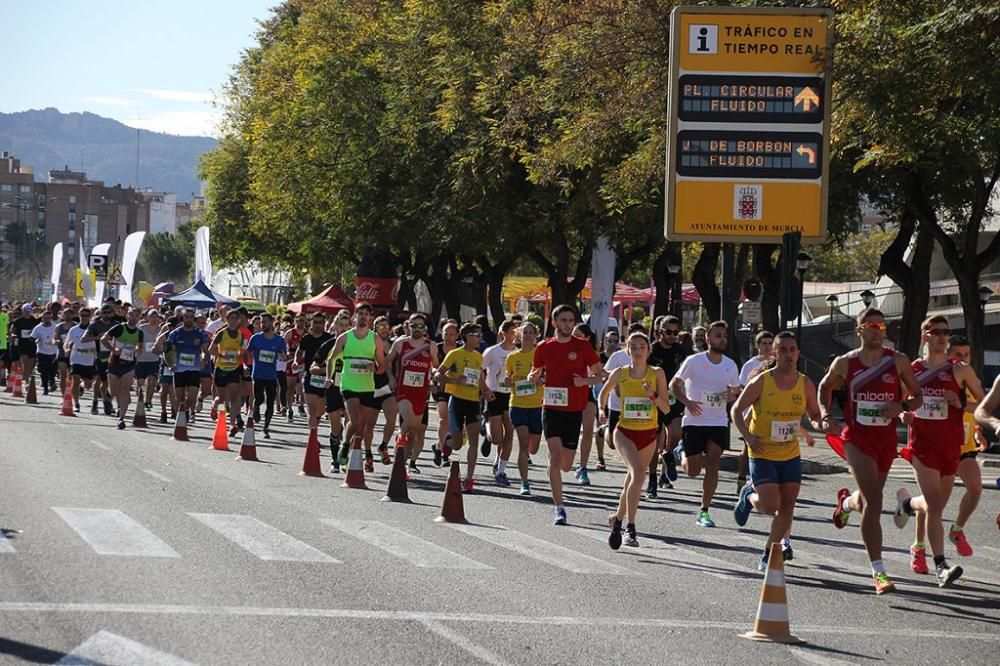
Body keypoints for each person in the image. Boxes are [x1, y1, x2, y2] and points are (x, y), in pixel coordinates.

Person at [818, 308, 922, 595]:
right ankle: (879, 572)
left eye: (881, 325)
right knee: (875, 501)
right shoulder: (845, 363)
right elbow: (824, 387)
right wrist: (826, 415)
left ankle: (846, 503)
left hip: (885, 440)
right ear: (859, 329)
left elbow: (917, 396)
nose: (877, 329)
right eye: (870, 325)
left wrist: (900, 407)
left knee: (866, 501)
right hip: (856, 439)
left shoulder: (898, 361)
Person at [894, 316, 984, 587]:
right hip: (922, 446)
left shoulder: (961, 370)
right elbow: (899, 402)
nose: (943, 337)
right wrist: (903, 416)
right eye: (936, 332)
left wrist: (960, 403)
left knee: (936, 506)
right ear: (925, 336)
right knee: (935, 505)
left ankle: (908, 504)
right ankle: (941, 565)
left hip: (951, 447)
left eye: (946, 332)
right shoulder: (912, 370)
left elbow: (983, 404)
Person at [731, 332, 825, 570]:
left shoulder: (805, 383)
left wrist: (821, 423)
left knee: (787, 507)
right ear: (774, 353)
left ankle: (769, 553)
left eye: (792, 349)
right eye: (783, 350)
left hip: (790, 454)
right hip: (762, 451)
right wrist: (749, 437)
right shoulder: (762, 381)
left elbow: (814, 414)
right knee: (769, 506)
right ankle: (748, 496)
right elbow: (736, 410)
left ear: (798, 354)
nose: (788, 354)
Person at [528, 304, 602, 525]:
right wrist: (534, 376)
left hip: (574, 410)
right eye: (563, 320)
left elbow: (600, 375)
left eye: (571, 320)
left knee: (567, 464)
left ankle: (558, 470)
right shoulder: (543, 347)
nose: (568, 324)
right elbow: (536, 372)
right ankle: (559, 507)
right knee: (555, 456)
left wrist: (584, 381)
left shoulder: (583, 346)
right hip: (550, 407)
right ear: (554, 322)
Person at [599, 332, 672, 549]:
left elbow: (666, 408)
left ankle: (617, 520)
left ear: (648, 350)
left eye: (642, 347)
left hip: (649, 433)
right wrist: (602, 413)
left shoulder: (657, 374)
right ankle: (630, 527)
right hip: (624, 432)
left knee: (633, 480)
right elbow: (603, 394)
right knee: (639, 474)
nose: (638, 351)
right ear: (627, 350)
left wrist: (652, 395)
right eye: (633, 347)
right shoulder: (620, 373)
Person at [670, 320, 741, 528]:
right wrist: (688, 402)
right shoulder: (694, 361)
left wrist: (731, 395)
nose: (722, 339)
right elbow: (675, 384)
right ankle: (681, 451)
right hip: (694, 421)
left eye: (725, 335)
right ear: (708, 339)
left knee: (713, 463)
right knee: (692, 471)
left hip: (718, 421)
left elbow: (736, 391)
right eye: (718, 335)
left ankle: (704, 510)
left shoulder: (730, 364)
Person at [325, 303, 385, 469]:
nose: (363, 316)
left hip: (367, 386)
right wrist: (329, 378)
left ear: (370, 318)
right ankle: (344, 446)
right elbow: (331, 359)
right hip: (348, 385)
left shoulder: (375, 339)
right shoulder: (345, 337)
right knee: (355, 419)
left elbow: (382, 365)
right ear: (355, 317)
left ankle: (346, 446)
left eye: (366, 314)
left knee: (360, 425)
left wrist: (376, 367)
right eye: (361, 313)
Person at [942, 336, 985, 557]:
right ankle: (918, 546)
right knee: (932, 506)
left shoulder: (969, 378)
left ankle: (957, 530)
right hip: (938, 448)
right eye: (958, 355)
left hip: (964, 448)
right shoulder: (935, 377)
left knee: (976, 488)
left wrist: (977, 431)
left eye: (966, 355)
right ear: (947, 354)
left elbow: (980, 407)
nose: (963, 359)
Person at [435, 323, 489, 493]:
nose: (480, 338)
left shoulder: (479, 357)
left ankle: (469, 479)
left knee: (474, 442)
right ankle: (443, 445)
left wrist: (486, 391)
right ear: (467, 336)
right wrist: (455, 380)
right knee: (457, 444)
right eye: (477, 335)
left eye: (481, 335)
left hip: (473, 403)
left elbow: (480, 378)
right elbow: (438, 374)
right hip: (457, 401)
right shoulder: (455, 354)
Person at [384, 313, 439, 474]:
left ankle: (401, 466)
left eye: (420, 326)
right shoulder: (400, 344)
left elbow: (435, 365)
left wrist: (435, 375)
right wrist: (391, 378)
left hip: (421, 392)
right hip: (403, 390)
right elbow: (387, 361)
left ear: (425, 328)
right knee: (407, 422)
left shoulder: (431, 346)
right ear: (408, 326)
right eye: (414, 325)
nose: (417, 329)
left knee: (414, 430)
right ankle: (400, 437)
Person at [647, 315, 688, 496]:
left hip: (674, 398)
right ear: (660, 331)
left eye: (675, 332)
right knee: (655, 442)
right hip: (654, 399)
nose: (672, 335)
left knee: (677, 433)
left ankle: (669, 454)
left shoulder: (682, 351)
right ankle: (653, 479)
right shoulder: (651, 351)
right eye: (669, 332)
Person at [155, 308, 210, 427]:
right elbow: (167, 351)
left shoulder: (200, 333)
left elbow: (205, 350)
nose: (189, 319)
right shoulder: (175, 334)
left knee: (192, 396)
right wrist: (170, 364)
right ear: (182, 318)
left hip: (194, 369)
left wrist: (204, 359)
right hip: (179, 369)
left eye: (191, 317)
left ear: (193, 319)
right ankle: (181, 415)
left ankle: (184, 410)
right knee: (179, 397)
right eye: (186, 317)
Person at [506, 321, 544, 495]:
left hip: (537, 405)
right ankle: (524, 482)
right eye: (525, 332)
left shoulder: (541, 354)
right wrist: (508, 381)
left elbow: (547, 375)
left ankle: (528, 455)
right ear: (519, 335)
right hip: (518, 404)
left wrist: (542, 381)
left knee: (533, 447)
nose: (528, 335)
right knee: (522, 442)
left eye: (531, 333)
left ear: (536, 336)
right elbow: (508, 378)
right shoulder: (513, 357)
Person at [482, 320, 517, 486]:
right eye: (511, 331)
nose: (514, 335)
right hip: (494, 394)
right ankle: (487, 427)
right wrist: (485, 390)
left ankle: (501, 469)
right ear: (503, 332)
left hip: (511, 396)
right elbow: (479, 369)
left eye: (516, 332)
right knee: (497, 439)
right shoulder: (492, 352)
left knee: (510, 433)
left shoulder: (518, 353)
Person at [100, 307, 145, 429]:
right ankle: (109, 396)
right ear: (127, 316)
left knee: (125, 389)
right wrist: (113, 350)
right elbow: (103, 339)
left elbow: (140, 348)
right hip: (114, 363)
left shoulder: (139, 333)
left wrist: (136, 350)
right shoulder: (119, 328)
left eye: (136, 316)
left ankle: (122, 418)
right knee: (114, 391)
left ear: (139, 318)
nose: (133, 318)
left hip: (129, 365)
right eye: (131, 315)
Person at [299, 313, 336, 456]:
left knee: (320, 410)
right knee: (312, 410)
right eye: (315, 322)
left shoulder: (328, 339)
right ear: (311, 323)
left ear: (324, 323)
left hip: (325, 378)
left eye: (320, 322)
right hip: (310, 376)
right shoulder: (306, 338)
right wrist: (296, 360)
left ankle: (313, 429)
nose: (318, 324)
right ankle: (313, 437)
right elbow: (300, 351)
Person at [246, 313, 287, 438]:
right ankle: (256, 407)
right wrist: (246, 366)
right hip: (257, 374)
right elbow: (247, 353)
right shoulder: (255, 338)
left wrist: (282, 356)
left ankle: (266, 428)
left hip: (271, 376)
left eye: (265, 322)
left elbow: (284, 356)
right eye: (261, 322)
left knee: (270, 402)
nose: (263, 324)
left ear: (272, 323)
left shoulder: (279, 340)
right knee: (259, 398)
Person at [209, 310, 248, 437]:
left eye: (236, 318)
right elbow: (211, 349)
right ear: (227, 319)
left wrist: (239, 356)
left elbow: (242, 352)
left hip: (234, 368)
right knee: (221, 399)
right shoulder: (222, 333)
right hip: (221, 368)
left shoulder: (241, 336)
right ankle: (214, 406)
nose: (234, 320)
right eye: (231, 318)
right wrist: (221, 354)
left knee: (234, 398)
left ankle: (232, 425)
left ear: (238, 321)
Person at [571, 323, 600, 487]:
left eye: (578, 334)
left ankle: (582, 467)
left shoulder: (592, 353)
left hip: (587, 393)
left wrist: (586, 381)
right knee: (570, 431)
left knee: (588, 430)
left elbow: (600, 375)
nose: (574, 337)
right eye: (573, 334)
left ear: (587, 338)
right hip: (568, 394)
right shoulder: (565, 349)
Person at [368, 316, 399, 467]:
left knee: (392, 419)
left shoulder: (395, 345)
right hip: (371, 387)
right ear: (375, 329)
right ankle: (368, 453)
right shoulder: (369, 344)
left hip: (389, 388)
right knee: (369, 425)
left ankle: (383, 446)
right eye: (380, 327)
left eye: (386, 326)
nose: (384, 329)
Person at [431, 321, 459, 466]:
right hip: (441, 388)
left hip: (458, 389)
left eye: (451, 334)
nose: (448, 337)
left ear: (457, 336)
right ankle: (444, 453)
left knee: (455, 423)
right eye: (446, 334)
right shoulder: (437, 348)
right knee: (443, 419)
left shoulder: (461, 350)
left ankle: (438, 446)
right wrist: (434, 378)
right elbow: (433, 367)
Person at [81, 304, 117, 416]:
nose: (106, 315)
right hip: (99, 356)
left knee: (110, 382)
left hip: (113, 357)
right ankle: (95, 402)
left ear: (112, 313)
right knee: (98, 380)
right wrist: (97, 338)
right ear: (100, 313)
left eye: (108, 312)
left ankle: (107, 401)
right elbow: (84, 339)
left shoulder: (116, 325)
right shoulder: (95, 325)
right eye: (104, 312)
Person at [64, 308, 98, 412]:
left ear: (90, 316)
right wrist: (66, 349)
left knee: (88, 385)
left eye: (86, 315)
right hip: (76, 358)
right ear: (79, 316)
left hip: (89, 360)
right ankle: (76, 404)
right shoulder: (73, 330)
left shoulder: (94, 330)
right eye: (82, 315)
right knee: (75, 379)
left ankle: (82, 386)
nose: (84, 317)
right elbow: (66, 343)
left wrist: (96, 351)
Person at [135, 309, 163, 409]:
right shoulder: (142, 328)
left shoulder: (161, 330)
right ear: (148, 317)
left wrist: (160, 351)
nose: (154, 319)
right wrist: (137, 347)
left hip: (154, 360)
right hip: (141, 359)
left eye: (156, 317)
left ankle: (148, 401)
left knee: (152, 381)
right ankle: (139, 389)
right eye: (152, 316)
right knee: (141, 382)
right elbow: (135, 340)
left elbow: (163, 344)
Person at [29, 309, 59, 396]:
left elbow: (59, 337)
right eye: (45, 318)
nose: (47, 320)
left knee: (52, 371)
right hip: (42, 352)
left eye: (48, 318)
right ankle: (45, 388)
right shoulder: (38, 328)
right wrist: (35, 341)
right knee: (43, 371)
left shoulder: (55, 327)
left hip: (53, 352)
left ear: (51, 318)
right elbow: (31, 338)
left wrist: (56, 341)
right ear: (42, 319)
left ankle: (52, 382)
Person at [11, 304, 39, 391]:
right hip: (22, 344)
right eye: (25, 311)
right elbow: (12, 330)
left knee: (30, 366)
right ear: (22, 312)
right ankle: (26, 382)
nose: (27, 313)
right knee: (24, 364)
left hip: (32, 345)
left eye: (29, 311)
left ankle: (28, 378)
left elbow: (38, 331)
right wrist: (13, 335)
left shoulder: (34, 321)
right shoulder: (18, 321)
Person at [53, 308, 77, 397]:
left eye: (69, 314)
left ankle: (72, 393)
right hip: (61, 354)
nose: (67, 316)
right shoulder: (59, 327)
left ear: (72, 315)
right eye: (65, 314)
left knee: (72, 376)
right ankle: (64, 396)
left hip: (73, 355)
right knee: (62, 376)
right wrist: (55, 341)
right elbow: (54, 338)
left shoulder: (75, 326)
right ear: (62, 315)